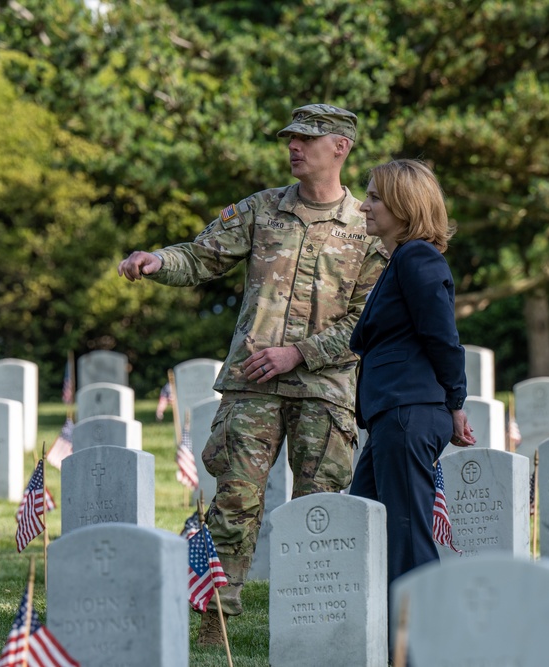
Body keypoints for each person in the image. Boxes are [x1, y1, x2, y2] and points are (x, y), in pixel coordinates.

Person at [117, 104, 388, 645]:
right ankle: (212, 624)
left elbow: (367, 321)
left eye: (307, 139)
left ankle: (319, 627)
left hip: (324, 390)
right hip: (252, 386)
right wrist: (158, 261)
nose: (293, 147)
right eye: (290, 138)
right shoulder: (261, 210)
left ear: (341, 147)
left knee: (321, 509)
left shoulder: (370, 228)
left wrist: (301, 353)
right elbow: (200, 257)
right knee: (234, 503)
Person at [348, 159, 476, 593]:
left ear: (404, 206)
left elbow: (442, 336)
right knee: (365, 522)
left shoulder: (417, 256)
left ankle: (423, 646)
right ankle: (382, 644)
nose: (363, 206)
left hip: (407, 411)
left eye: (374, 197)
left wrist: (455, 403)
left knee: (406, 539)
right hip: (394, 413)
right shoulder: (400, 260)